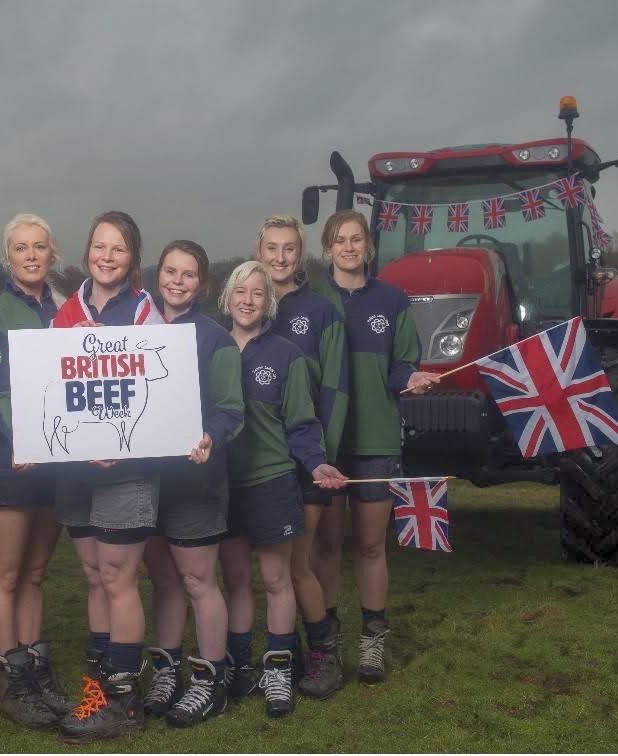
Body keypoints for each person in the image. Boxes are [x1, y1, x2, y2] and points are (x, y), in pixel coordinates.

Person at [310, 209, 439, 686]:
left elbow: (400, 366)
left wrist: (413, 378)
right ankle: (328, 639)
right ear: (327, 248)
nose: (348, 247)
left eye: (356, 239)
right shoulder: (311, 300)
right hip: (325, 441)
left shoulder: (392, 299)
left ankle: (371, 640)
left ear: (367, 247)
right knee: (325, 545)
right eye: (339, 239)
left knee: (368, 544)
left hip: (376, 438)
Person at [51, 210, 163, 743]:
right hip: (76, 467)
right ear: (87, 250)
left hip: (128, 466)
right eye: (99, 246)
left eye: (118, 249)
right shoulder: (65, 311)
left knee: (120, 578)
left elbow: (155, 393)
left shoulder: (145, 311)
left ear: (132, 258)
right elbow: (53, 386)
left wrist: (108, 348)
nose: (106, 256)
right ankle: (99, 679)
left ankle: (122, 698)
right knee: (94, 576)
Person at [216, 260, 346, 718]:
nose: (247, 300)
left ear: (268, 301)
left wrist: (316, 463)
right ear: (227, 297)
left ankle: (278, 667)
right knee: (235, 582)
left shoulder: (286, 354)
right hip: (222, 485)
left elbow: (302, 425)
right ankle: (238, 667)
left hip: (272, 480)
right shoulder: (209, 349)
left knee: (276, 578)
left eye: (257, 293)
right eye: (240, 291)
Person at [0, 213, 68, 727]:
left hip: (54, 460)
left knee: (35, 571)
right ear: (8, 258)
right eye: (21, 248)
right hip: (8, 457)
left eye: (39, 247)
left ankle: (36, 667)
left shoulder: (68, 311)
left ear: (53, 254)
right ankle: (12, 679)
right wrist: (26, 438)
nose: (31, 255)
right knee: (4, 573)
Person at [141, 240, 244, 728]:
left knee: (198, 580)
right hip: (143, 478)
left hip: (195, 477)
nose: (177, 281)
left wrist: (211, 438)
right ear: (157, 276)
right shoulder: (136, 329)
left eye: (187, 274)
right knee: (161, 579)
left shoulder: (215, 339)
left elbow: (231, 410)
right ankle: (166, 670)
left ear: (201, 284)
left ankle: (210, 679)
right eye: (169, 271)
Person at [255, 215, 349, 698]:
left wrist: (319, 458)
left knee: (297, 564)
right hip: (259, 464)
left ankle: (324, 655)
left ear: (301, 253)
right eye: (271, 248)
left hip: (305, 458)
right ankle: (281, 656)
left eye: (289, 249)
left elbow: (333, 389)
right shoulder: (247, 304)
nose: (279, 257)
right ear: (260, 249)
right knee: (267, 569)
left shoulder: (320, 311)